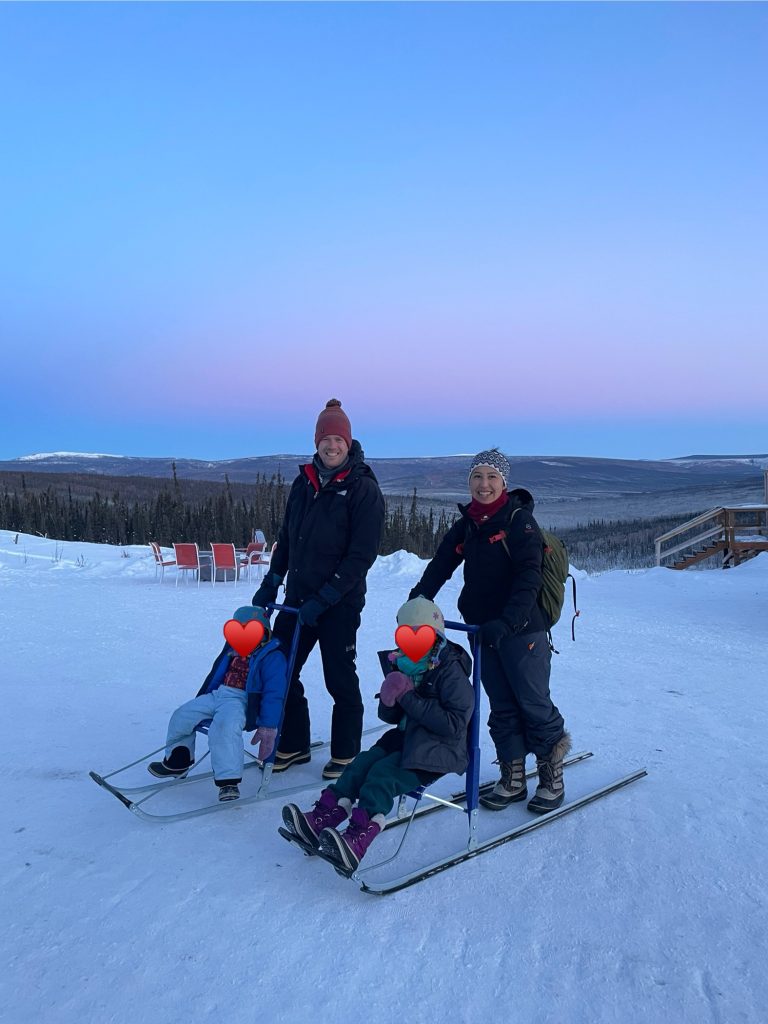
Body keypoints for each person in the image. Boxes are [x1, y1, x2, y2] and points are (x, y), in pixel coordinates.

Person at [407, 448, 571, 814]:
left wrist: (507, 622)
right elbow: (441, 564)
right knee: (501, 705)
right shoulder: (469, 523)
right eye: (477, 477)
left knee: (533, 703)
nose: (484, 485)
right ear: (469, 482)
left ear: (504, 482)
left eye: (491, 477)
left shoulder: (519, 522)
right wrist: (417, 600)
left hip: (523, 631)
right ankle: (512, 778)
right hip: (482, 630)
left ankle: (550, 777)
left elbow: (528, 579)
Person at [280, 597, 474, 872]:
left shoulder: (450, 672)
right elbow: (391, 717)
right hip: (405, 739)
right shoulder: (403, 661)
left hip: (437, 750)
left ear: (436, 637)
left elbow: (454, 724)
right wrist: (388, 701)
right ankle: (323, 818)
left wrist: (407, 697)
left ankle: (358, 838)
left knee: (381, 776)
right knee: (359, 765)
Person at [252, 399, 385, 780]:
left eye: (338, 439)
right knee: (282, 669)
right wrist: (272, 582)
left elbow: (361, 556)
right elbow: (287, 538)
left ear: (348, 441)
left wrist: (325, 598)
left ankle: (346, 753)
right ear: (316, 441)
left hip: (339, 603)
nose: (332, 446)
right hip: (298, 600)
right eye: (325, 438)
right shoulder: (303, 482)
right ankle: (294, 743)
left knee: (338, 676)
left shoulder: (363, 489)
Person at [148, 606, 288, 802]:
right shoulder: (233, 648)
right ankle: (178, 761)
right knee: (182, 715)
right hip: (218, 694)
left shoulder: (273, 656)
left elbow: (274, 693)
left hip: (242, 701)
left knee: (223, 728)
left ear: (264, 633)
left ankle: (228, 781)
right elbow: (216, 674)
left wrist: (268, 725)